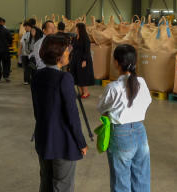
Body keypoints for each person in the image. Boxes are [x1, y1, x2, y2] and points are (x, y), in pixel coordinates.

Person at [31, 35, 88, 192]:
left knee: (46, 183)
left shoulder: (36, 76)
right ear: (59, 54)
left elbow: (37, 110)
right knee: (63, 186)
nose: (69, 52)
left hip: (43, 139)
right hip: (63, 143)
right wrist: (81, 142)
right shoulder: (64, 78)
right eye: (67, 49)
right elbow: (72, 115)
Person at [97, 44, 152, 192]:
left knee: (121, 182)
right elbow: (147, 101)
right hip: (141, 132)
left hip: (121, 135)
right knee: (141, 178)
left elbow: (101, 108)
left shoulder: (113, 87)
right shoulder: (142, 82)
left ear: (116, 62)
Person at [70, 23, 95, 98]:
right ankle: (81, 92)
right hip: (75, 59)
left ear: (79, 29)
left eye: (76, 28)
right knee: (77, 75)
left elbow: (87, 50)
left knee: (83, 75)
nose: (74, 29)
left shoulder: (85, 38)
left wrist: (84, 60)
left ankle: (86, 92)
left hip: (83, 59)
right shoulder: (75, 37)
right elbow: (72, 46)